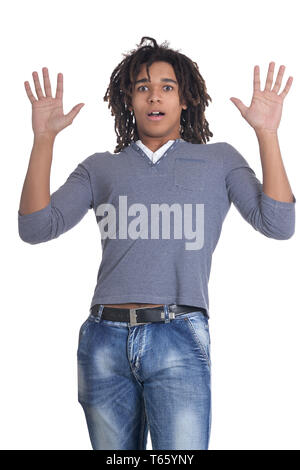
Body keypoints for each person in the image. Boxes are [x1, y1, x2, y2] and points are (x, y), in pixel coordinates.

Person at [18, 37, 296, 450]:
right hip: (103, 340)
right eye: (143, 86)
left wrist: (267, 134)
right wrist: (44, 139)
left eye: (167, 87)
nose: (154, 96)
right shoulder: (100, 168)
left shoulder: (219, 160)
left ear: (185, 99)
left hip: (178, 335)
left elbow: (278, 223)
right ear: (128, 98)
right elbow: (36, 227)